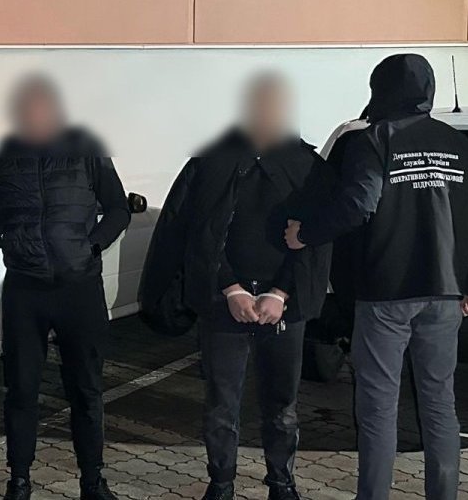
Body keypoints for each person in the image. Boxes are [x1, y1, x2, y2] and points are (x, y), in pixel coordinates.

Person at [284, 54, 468, 500]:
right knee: (439, 404)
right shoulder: (456, 143)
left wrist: (307, 234)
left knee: (378, 405)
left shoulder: (375, 139)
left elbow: (359, 204)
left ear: (380, 88)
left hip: (385, 292)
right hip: (445, 293)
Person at [140, 75, 333, 500]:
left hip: (284, 307)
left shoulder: (307, 164)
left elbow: (317, 239)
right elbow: (195, 231)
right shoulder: (210, 162)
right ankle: (221, 484)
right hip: (223, 304)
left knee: (282, 405)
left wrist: (280, 294)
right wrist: (231, 289)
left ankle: (282, 483)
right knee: (221, 406)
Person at [0, 76, 130, 500]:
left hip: (78, 288)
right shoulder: (8, 153)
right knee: (21, 390)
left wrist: (92, 246)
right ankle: (19, 481)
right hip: (25, 290)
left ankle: (92, 481)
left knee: (86, 389)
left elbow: (118, 209)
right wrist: (13, 244)